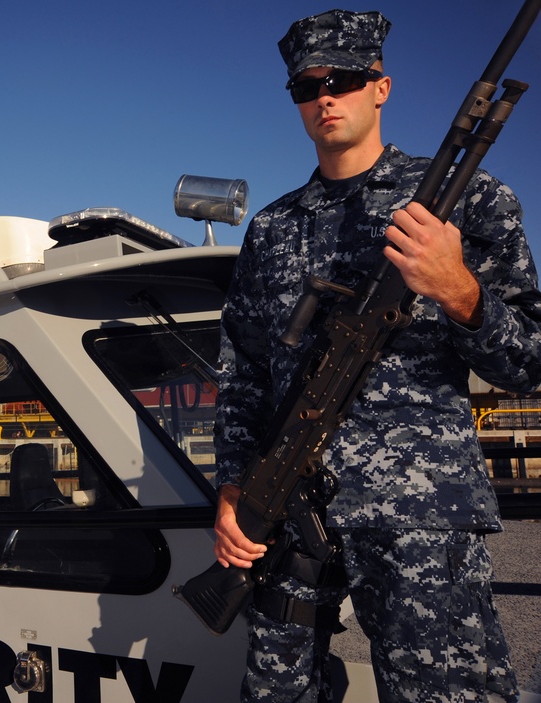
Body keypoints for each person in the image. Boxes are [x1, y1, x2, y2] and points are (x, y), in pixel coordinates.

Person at [212, 9, 541, 702]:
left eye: (345, 79)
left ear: (381, 88)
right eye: (307, 86)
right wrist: (235, 491)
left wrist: (463, 293)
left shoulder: (468, 203)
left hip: (420, 519)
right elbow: (242, 374)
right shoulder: (272, 229)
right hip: (286, 513)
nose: (325, 96)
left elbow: (533, 360)